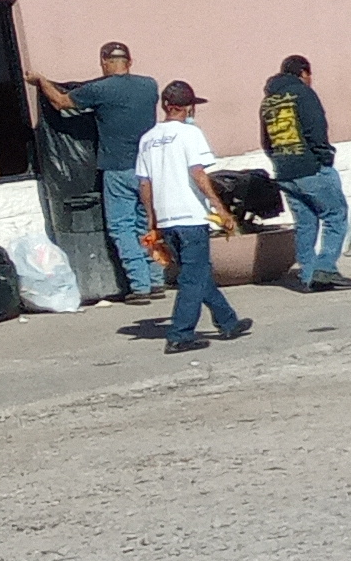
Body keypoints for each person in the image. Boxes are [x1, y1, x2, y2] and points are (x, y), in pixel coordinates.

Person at [34, 41, 164, 303]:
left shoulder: (99, 89)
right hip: (149, 169)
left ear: (104, 62)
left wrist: (41, 80)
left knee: (121, 227)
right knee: (145, 223)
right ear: (130, 61)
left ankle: (140, 287)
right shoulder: (150, 85)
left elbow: (60, 102)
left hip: (118, 168)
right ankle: (157, 279)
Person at [133, 82, 253, 353]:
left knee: (196, 273)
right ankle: (180, 333)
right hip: (189, 217)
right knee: (192, 277)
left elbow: (144, 184)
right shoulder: (190, 134)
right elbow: (199, 174)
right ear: (189, 107)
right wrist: (220, 209)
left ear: (165, 106)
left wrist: (152, 220)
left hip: (166, 219)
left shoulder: (148, 139)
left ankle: (228, 321)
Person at [259, 53, 351, 292]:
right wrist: (325, 158)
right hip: (310, 168)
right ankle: (326, 268)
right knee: (335, 214)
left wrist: (279, 162)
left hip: (284, 171)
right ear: (304, 73)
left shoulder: (267, 101)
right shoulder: (303, 93)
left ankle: (308, 274)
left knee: (305, 222)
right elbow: (316, 128)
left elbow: (266, 141)